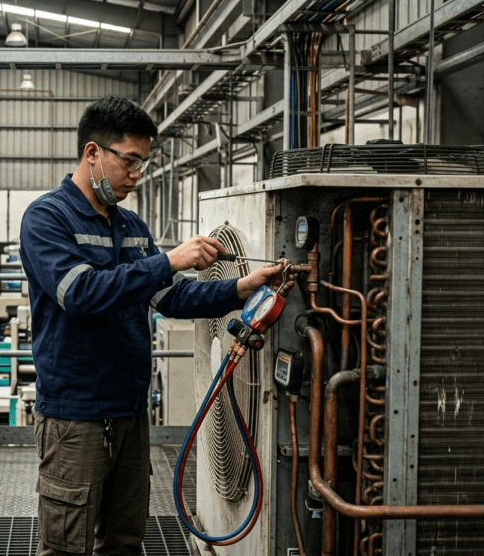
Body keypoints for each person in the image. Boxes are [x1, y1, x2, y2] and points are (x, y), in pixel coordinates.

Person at [18, 96, 287, 556]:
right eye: (130, 160)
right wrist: (168, 260)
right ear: (92, 153)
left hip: (129, 412)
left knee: (124, 541)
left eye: (143, 162)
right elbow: (80, 295)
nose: (137, 173)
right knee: (68, 546)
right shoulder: (47, 219)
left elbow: (172, 297)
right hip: (74, 416)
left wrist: (241, 287)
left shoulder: (132, 226)